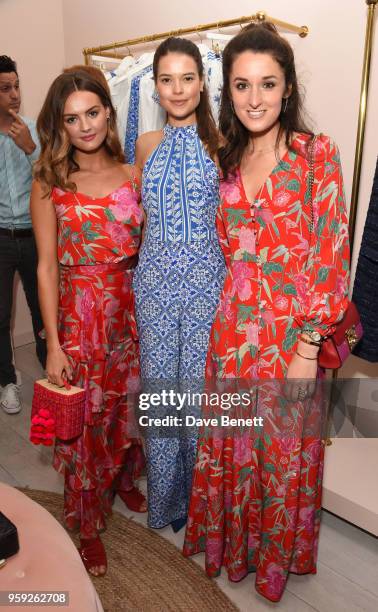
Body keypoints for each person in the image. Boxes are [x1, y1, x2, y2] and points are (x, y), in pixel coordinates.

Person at [183, 23, 350, 602]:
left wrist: (308, 349)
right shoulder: (223, 160)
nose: (255, 99)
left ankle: (275, 564)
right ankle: (233, 551)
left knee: (281, 458)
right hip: (230, 335)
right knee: (234, 445)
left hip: (290, 338)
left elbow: (331, 255)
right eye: (241, 86)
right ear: (227, 92)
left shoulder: (315, 156)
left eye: (268, 84)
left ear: (287, 88)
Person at [31, 67, 146, 577]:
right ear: (60, 125)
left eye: (93, 112)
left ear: (108, 111)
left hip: (132, 311)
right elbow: (46, 266)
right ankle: (86, 524)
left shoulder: (134, 173)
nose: (85, 126)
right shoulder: (49, 181)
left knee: (127, 406)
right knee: (82, 422)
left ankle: (120, 474)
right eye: (72, 118)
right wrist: (53, 343)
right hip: (80, 316)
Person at [134, 37, 225, 532]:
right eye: (166, 79)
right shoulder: (145, 145)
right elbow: (134, 219)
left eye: (187, 77)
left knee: (198, 398)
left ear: (202, 81)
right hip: (152, 286)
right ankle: (165, 504)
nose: (177, 88)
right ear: (154, 87)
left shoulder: (224, 143)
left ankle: (200, 505)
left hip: (208, 286)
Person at [0, 55, 46, 414]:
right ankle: (7, 381)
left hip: (35, 237)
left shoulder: (34, 130)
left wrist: (30, 148)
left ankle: (52, 380)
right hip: (0, 238)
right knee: (0, 317)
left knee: (43, 314)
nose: (14, 95)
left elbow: (51, 184)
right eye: (5, 88)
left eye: (16, 86)